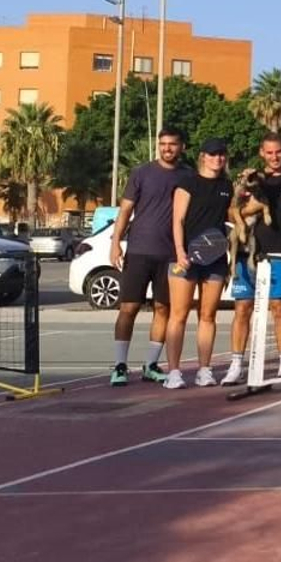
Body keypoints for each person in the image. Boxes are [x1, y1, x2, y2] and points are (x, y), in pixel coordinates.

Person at [223, 133, 281, 385]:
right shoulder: (251, 179)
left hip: (280, 252)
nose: (274, 157)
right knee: (242, 308)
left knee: (280, 308)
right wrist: (250, 209)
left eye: (278, 152)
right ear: (262, 153)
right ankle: (236, 365)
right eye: (269, 152)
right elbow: (231, 211)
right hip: (246, 253)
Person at [108, 127, 187, 386]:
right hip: (139, 251)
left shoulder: (189, 176)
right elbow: (125, 211)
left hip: (171, 255)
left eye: (172, 144)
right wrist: (115, 243)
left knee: (163, 308)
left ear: (182, 147)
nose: (167, 148)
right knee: (128, 308)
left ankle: (151, 365)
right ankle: (119, 365)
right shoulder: (141, 173)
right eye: (163, 144)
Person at [162, 138, 234, 389]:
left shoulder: (227, 186)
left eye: (221, 154)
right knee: (178, 315)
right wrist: (180, 251)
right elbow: (178, 220)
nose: (217, 159)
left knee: (208, 315)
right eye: (213, 154)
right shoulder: (187, 182)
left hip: (215, 258)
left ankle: (205, 370)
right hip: (185, 258)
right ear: (203, 156)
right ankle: (174, 372)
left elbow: (233, 217)